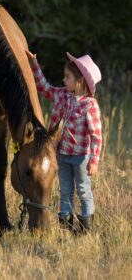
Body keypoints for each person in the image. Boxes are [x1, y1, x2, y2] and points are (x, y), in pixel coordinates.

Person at [26, 50, 102, 233]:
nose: (63, 80)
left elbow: (96, 136)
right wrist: (34, 65)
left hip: (81, 157)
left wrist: (94, 160)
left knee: (83, 190)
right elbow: (44, 87)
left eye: (67, 77)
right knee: (65, 190)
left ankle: (85, 227)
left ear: (80, 81)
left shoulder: (89, 105)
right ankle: (66, 226)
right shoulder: (62, 95)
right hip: (62, 155)